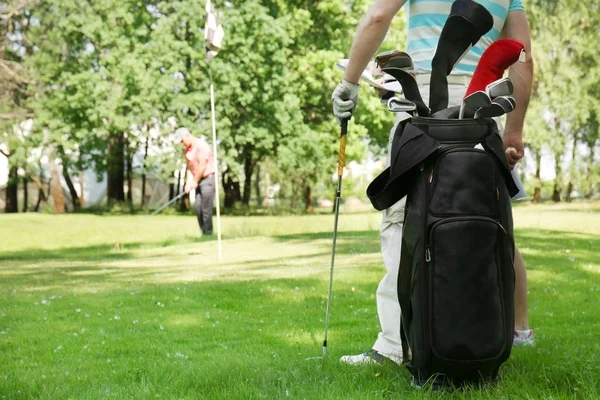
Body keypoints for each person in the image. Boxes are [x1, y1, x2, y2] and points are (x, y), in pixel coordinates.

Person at [331, 0, 535, 366]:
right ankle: (484, 335)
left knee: (405, 219)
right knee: (482, 220)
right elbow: (522, 57)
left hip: (426, 97)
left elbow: (379, 15)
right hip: (484, 101)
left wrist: (349, 83)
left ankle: (396, 345)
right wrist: (515, 130)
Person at [176, 127, 215, 236]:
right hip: (197, 180)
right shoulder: (187, 151)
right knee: (198, 208)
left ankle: (208, 234)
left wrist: (195, 181)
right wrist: (188, 183)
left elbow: (202, 166)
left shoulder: (202, 146)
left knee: (206, 209)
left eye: (182, 141)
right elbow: (190, 168)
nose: (182, 144)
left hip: (208, 179)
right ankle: (203, 232)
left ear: (187, 136)